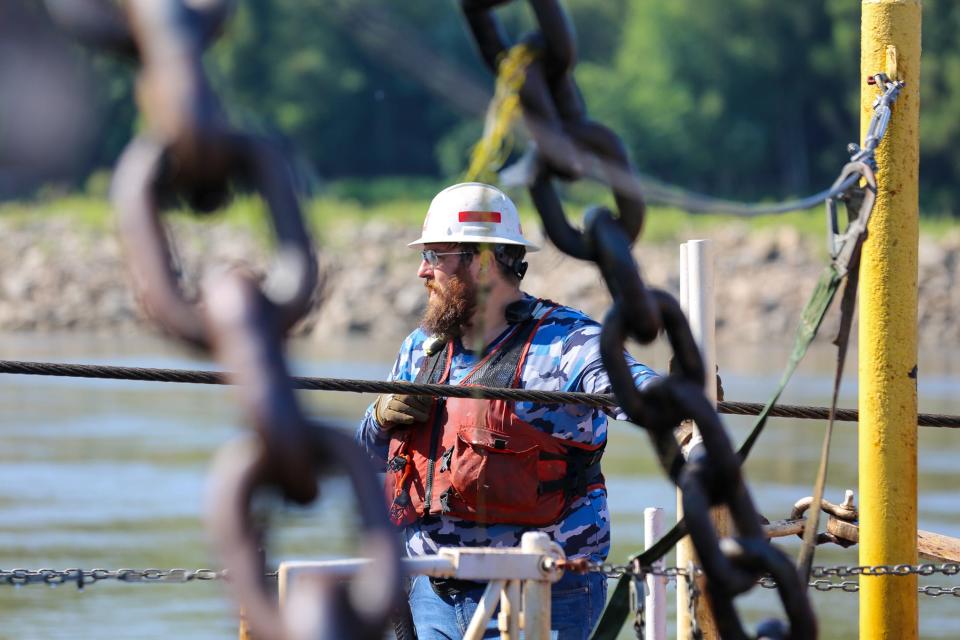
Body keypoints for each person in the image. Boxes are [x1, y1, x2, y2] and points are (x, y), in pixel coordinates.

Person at [356, 182, 657, 639]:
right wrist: (380, 417)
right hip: (432, 595)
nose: (422, 271)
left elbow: (640, 393)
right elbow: (370, 456)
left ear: (480, 262)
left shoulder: (567, 344)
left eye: (436, 255)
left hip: (545, 592)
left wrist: (683, 411)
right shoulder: (420, 350)